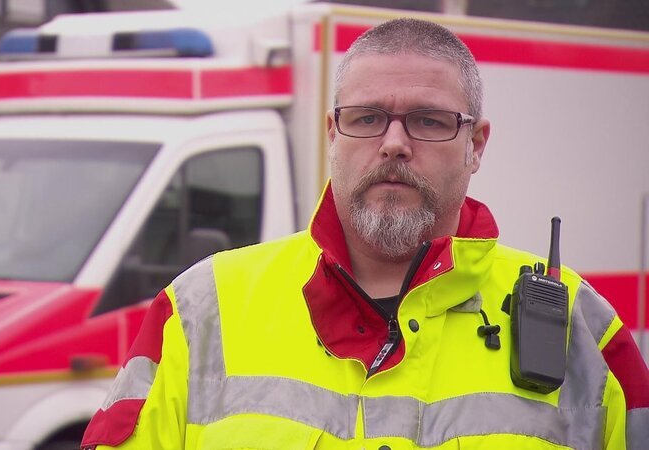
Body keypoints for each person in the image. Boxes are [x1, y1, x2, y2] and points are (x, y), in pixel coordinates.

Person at [81, 18, 649, 449]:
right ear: (333, 132)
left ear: (476, 145)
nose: (394, 143)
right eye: (367, 117)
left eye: (429, 121)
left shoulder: (585, 333)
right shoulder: (198, 313)